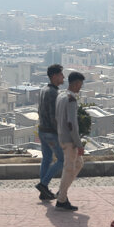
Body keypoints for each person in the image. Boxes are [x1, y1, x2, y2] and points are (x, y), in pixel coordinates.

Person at [55, 71, 85, 211]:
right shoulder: (71, 99)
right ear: (76, 83)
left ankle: (62, 190)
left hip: (61, 136)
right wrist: (78, 144)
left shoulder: (60, 96)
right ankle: (61, 199)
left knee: (78, 163)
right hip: (69, 140)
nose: (80, 87)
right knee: (69, 168)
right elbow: (72, 124)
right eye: (80, 84)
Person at [35, 64, 65, 201]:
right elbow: (55, 116)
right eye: (61, 74)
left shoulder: (43, 89)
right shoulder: (54, 93)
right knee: (62, 160)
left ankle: (44, 192)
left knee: (46, 159)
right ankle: (43, 184)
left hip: (42, 130)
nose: (63, 77)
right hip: (51, 132)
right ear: (54, 76)